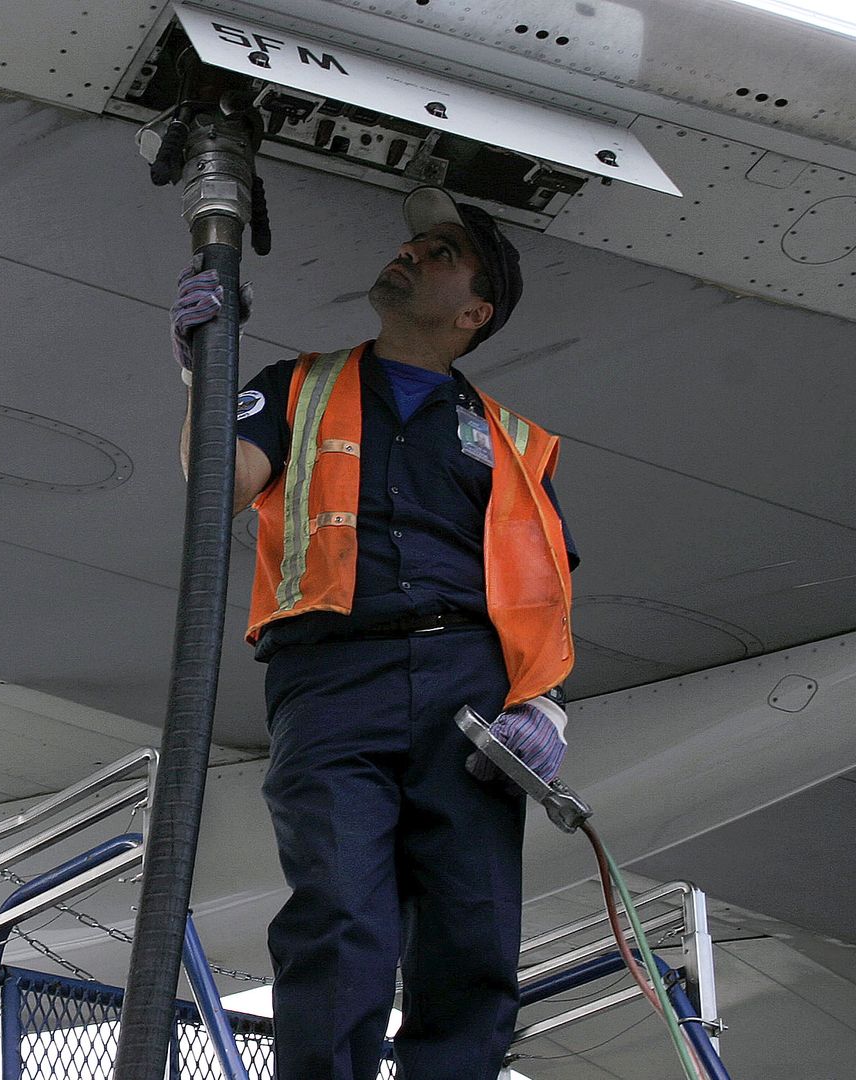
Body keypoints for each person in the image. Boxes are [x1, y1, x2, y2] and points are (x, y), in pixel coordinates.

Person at [173, 186, 579, 1080]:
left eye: (442, 255)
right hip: (331, 679)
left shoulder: (514, 440)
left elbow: (543, 585)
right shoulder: (296, 386)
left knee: (470, 930)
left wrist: (545, 706)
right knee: (340, 915)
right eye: (415, 246)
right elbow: (221, 486)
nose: (413, 255)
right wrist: (208, 369)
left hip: (467, 693)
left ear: (475, 314)